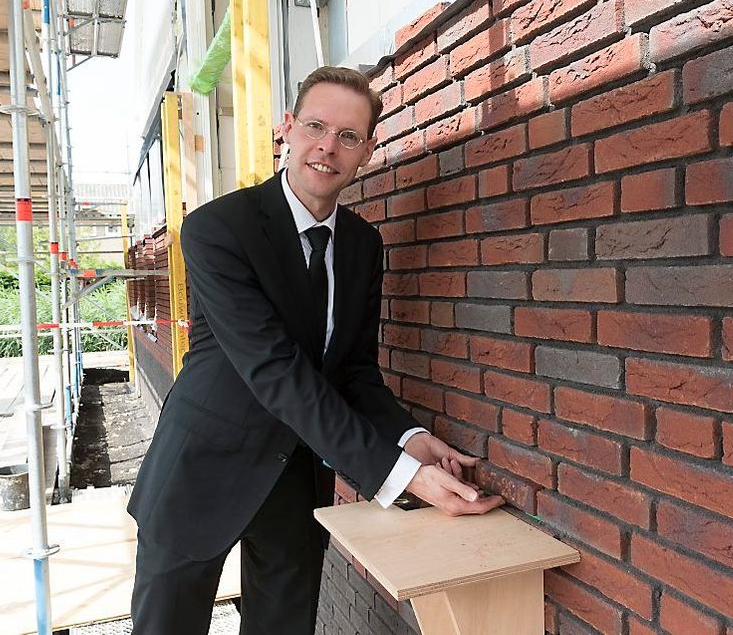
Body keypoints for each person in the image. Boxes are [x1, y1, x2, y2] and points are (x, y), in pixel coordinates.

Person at [127, 66, 505, 635]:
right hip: (200, 471)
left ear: (367, 151)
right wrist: (402, 476)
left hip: (294, 480)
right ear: (287, 129)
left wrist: (410, 438)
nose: (327, 147)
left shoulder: (362, 244)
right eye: (315, 126)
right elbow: (276, 370)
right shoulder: (215, 230)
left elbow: (353, 371)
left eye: (348, 136)